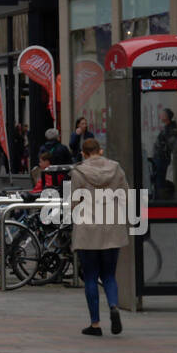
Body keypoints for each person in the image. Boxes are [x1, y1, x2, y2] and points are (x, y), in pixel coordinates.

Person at [70, 138, 129, 336]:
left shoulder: (78, 172)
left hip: (88, 229)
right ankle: (113, 306)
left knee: (90, 277)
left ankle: (95, 324)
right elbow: (125, 195)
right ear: (100, 151)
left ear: (84, 153)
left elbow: (74, 201)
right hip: (112, 226)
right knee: (110, 275)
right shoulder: (116, 169)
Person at [150, 108, 177, 197]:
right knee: (157, 179)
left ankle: (160, 197)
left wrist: (162, 151)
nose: (160, 116)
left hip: (162, 159)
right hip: (159, 158)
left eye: (162, 114)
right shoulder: (166, 128)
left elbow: (171, 144)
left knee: (159, 180)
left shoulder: (171, 129)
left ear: (167, 116)